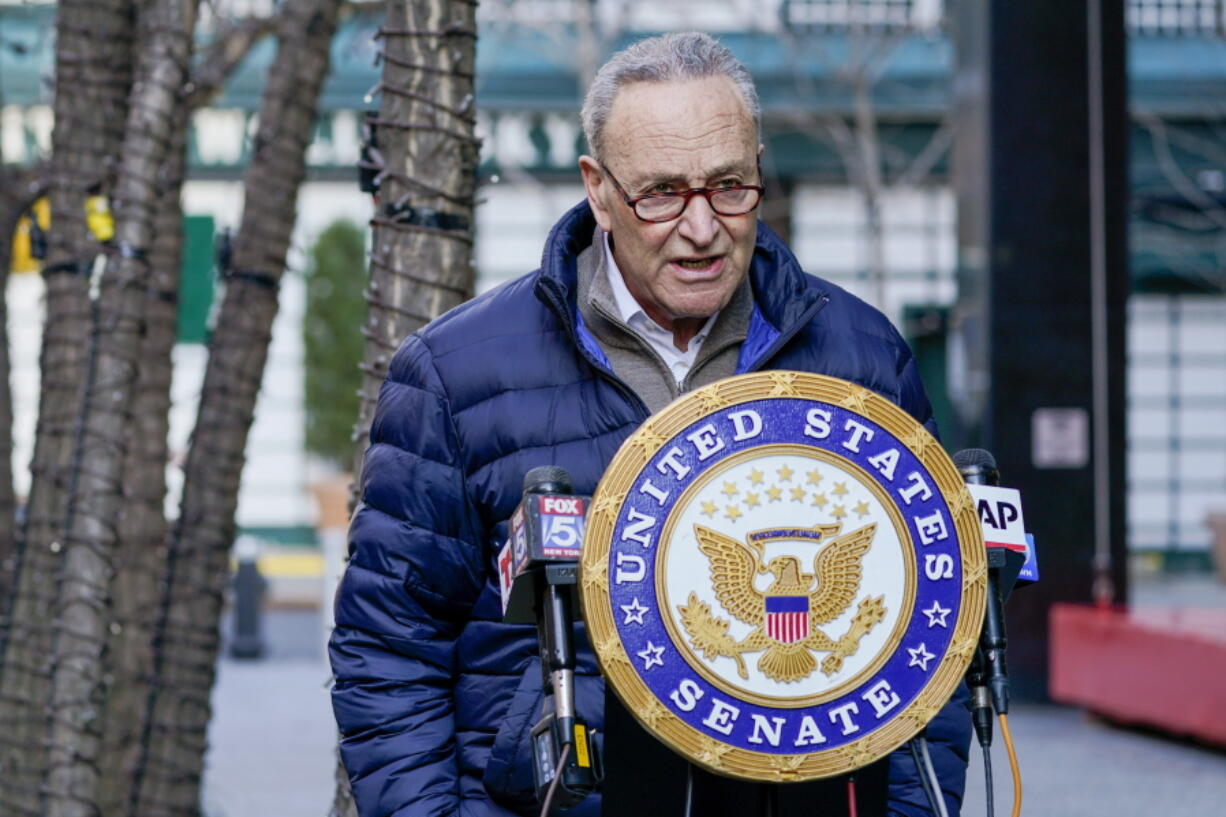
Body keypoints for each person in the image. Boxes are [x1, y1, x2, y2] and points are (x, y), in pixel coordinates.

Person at [330, 32, 970, 817]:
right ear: (598, 189)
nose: (702, 227)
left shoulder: (864, 361)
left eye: (729, 185)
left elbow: (933, 639)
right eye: (662, 193)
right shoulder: (455, 373)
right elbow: (390, 647)